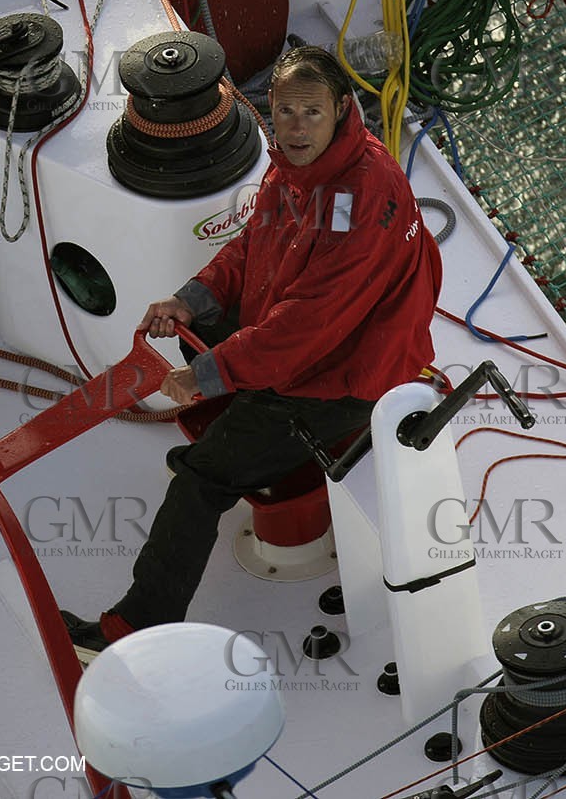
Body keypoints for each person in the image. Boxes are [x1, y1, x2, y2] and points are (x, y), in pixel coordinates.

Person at [61, 44, 442, 656]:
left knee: (198, 481)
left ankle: (135, 629)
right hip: (308, 341)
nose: (294, 128)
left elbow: (305, 330)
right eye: (284, 111)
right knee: (207, 348)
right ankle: (239, 426)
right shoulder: (294, 167)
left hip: (339, 378)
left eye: (310, 113)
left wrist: (208, 374)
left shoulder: (359, 200)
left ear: (342, 109)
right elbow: (251, 250)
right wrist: (192, 300)